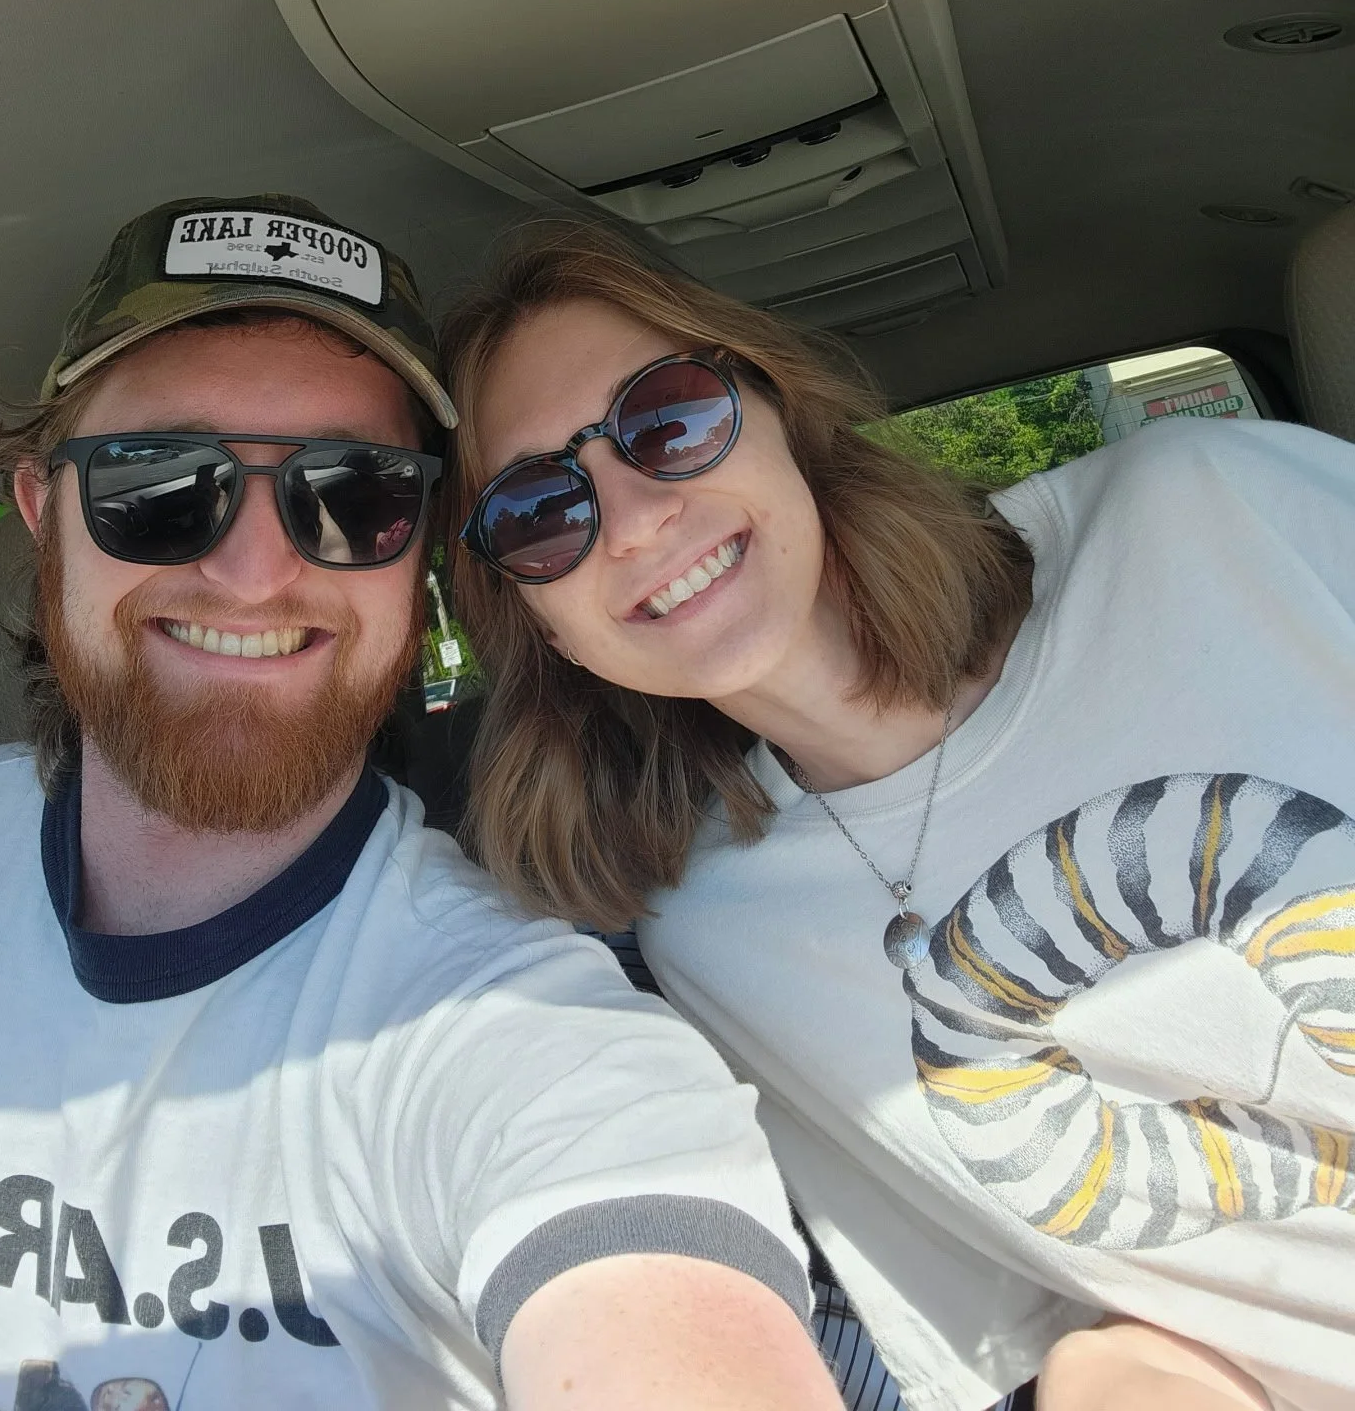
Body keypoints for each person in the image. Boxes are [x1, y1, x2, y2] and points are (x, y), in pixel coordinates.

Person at [0, 195, 846, 1411]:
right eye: (160, 483)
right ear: (44, 513)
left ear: (419, 557)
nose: (256, 575)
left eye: (355, 495)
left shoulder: (522, 1044)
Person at [439, 220, 1355, 1411]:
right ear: (537, 620)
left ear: (776, 407)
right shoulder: (713, 941)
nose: (632, 519)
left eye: (667, 420)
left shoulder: (1212, 509)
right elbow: (1084, 1328)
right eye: (535, 513)